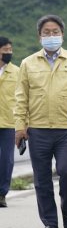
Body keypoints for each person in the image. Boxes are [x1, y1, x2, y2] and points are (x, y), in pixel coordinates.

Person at [14, 15, 67, 228]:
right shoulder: (28, 63)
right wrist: (20, 126)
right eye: (46, 32)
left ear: (62, 34)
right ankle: (50, 223)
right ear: (39, 36)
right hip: (37, 130)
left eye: (55, 31)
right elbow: (21, 98)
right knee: (42, 179)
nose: (51, 36)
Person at [0, 36, 18, 208]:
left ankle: (1, 194)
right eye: (5, 50)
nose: (9, 53)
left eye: (10, 50)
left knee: (6, 160)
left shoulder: (17, 72)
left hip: (9, 122)